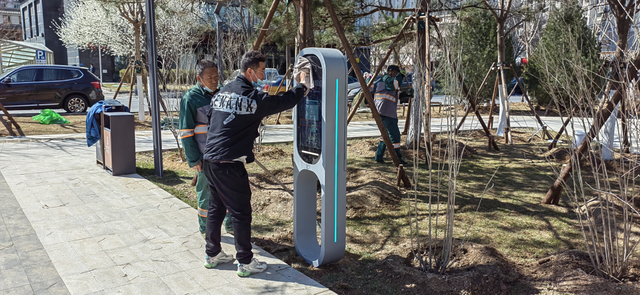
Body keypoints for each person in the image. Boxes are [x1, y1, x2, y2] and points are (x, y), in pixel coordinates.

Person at [202, 51, 308, 277]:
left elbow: (211, 118)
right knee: (241, 212)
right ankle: (245, 262)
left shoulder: (224, 91)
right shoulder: (252, 98)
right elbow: (283, 102)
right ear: (250, 71)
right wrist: (302, 86)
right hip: (229, 163)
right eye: (261, 70)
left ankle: (212, 254)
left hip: (210, 160)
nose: (263, 75)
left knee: (216, 208)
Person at [179, 60, 232, 239]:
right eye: (209, 77)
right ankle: (206, 228)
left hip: (224, 155)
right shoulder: (191, 99)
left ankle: (230, 224)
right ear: (199, 79)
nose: (214, 80)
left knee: (229, 191)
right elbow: (186, 133)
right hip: (204, 157)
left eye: (216, 76)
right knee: (206, 194)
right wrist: (194, 160)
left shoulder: (223, 93)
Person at [373, 64, 407, 165]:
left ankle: (379, 157)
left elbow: (395, 93)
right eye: (396, 73)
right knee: (395, 135)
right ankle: (397, 159)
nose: (396, 75)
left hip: (386, 110)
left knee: (385, 135)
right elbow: (396, 85)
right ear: (392, 72)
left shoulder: (386, 81)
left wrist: (407, 94)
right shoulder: (386, 79)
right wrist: (401, 76)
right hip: (385, 111)